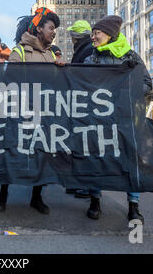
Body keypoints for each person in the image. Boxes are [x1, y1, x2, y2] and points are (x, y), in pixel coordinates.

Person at [84, 15, 152, 224]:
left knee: (131, 161)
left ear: (110, 34)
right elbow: (81, 84)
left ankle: (133, 206)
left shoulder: (131, 57)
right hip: (101, 119)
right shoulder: (91, 58)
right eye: (92, 33)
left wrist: (125, 92)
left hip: (126, 119)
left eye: (97, 33)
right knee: (97, 158)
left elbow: (147, 85)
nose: (93, 37)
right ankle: (95, 201)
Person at [0, 7, 60, 214]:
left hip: (43, 115)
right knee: (13, 152)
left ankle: (36, 197)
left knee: (41, 155)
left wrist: (62, 70)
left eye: (55, 29)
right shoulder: (20, 52)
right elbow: (8, 82)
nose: (54, 32)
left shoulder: (52, 55)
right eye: (51, 27)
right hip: (20, 115)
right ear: (39, 29)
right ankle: (2, 195)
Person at [65, 20, 95, 198]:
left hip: (85, 107)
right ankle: (80, 183)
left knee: (86, 148)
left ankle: (87, 186)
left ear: (75, 37)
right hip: (83, 107)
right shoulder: (86, 50)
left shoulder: (86, 52)